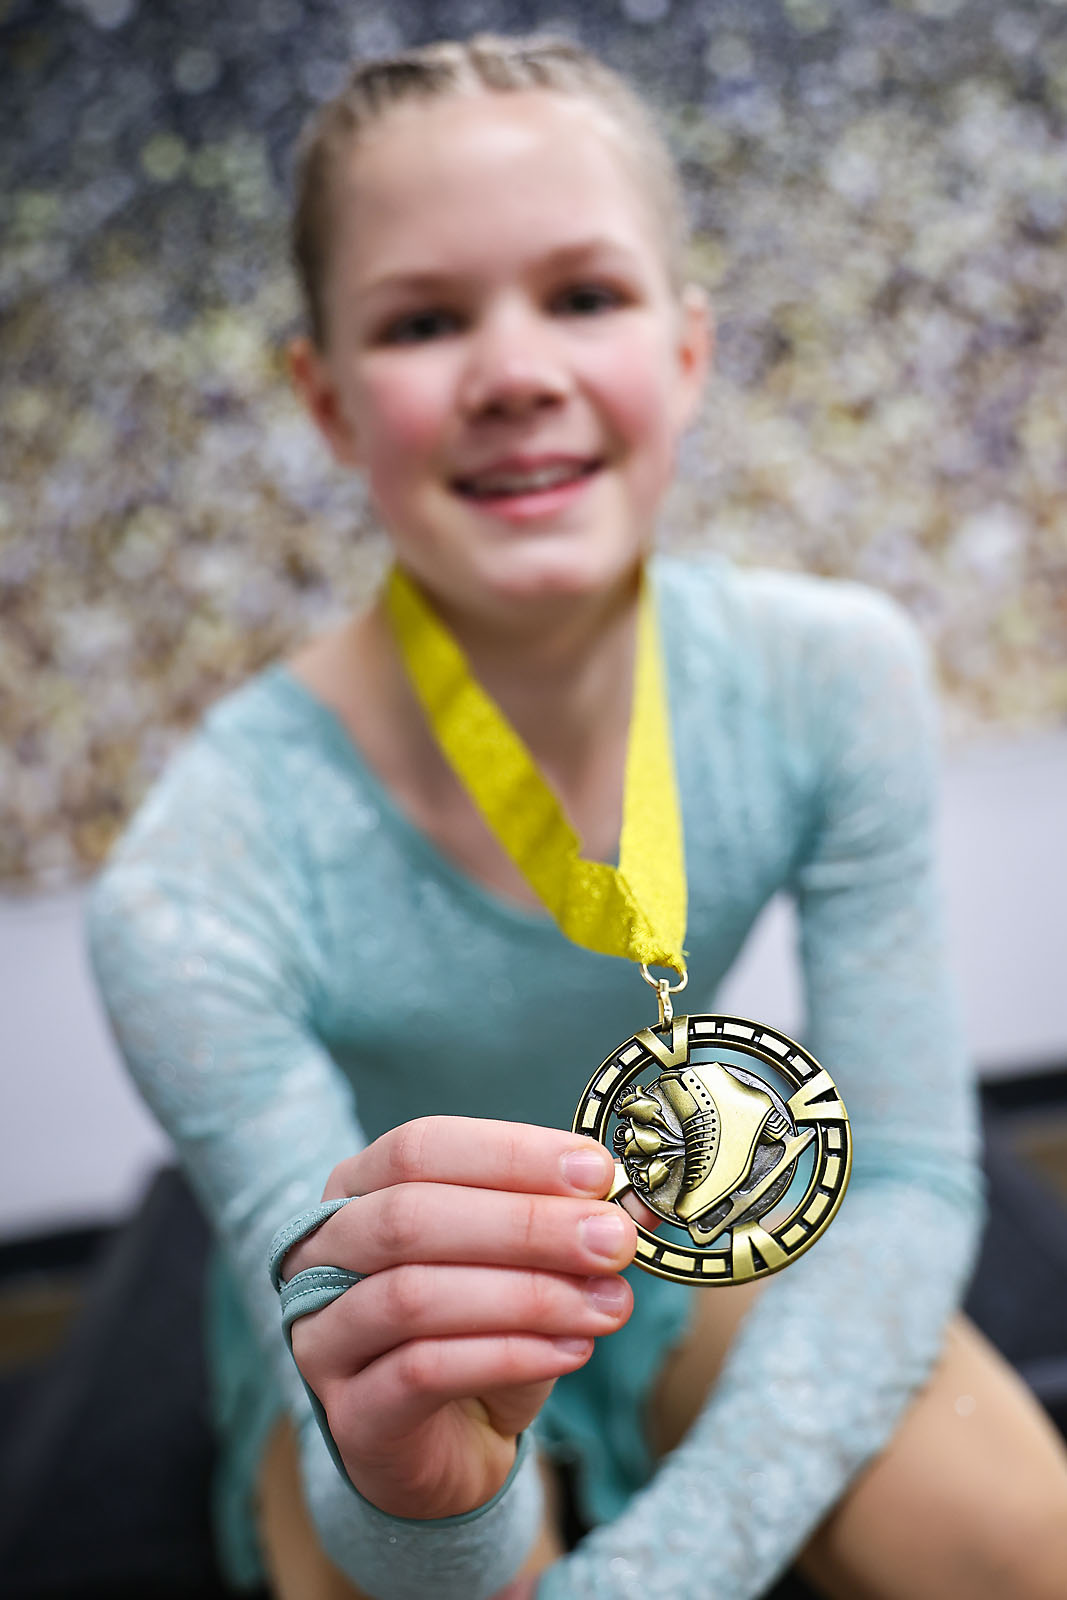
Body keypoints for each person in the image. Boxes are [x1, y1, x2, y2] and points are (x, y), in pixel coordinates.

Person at [87, 32, 1067, 1600]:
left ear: (685, 356)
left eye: (586, 297)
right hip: (373, 1310)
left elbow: (911, 1178)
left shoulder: (835, 681)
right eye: (423, 320)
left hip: (693, 1239)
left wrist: (660, 1573)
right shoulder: (193, 886)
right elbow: (353, 1393)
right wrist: (442, 1510)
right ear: (328, 403)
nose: (518, 371)